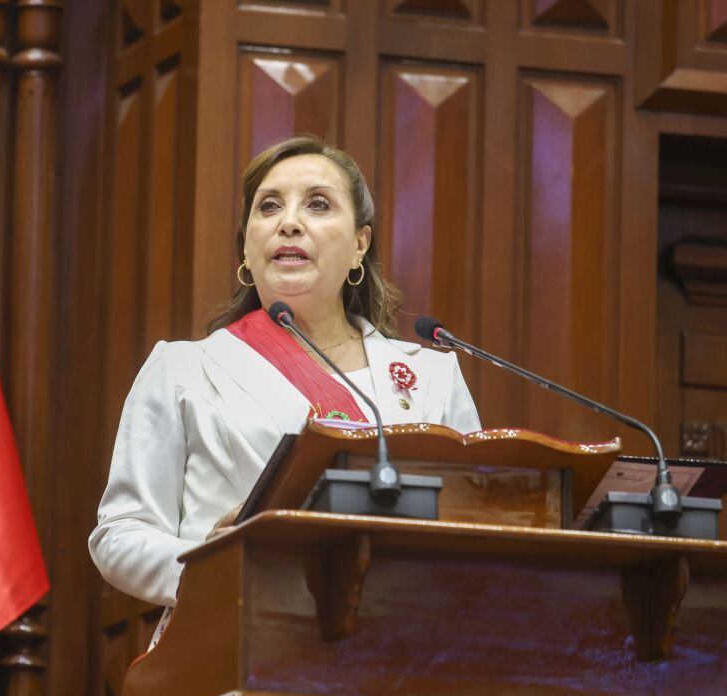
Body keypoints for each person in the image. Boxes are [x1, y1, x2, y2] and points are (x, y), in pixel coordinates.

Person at [88, 135, 480, 637]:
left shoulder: (431, 375)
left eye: (318, 204)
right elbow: (119, 536)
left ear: (360, 244)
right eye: (268, 206)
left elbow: (474, 520)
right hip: (233, 646)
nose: (289, 222)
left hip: (404, 650)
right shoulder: (185, 369)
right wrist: (210, 561)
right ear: (247, 248)